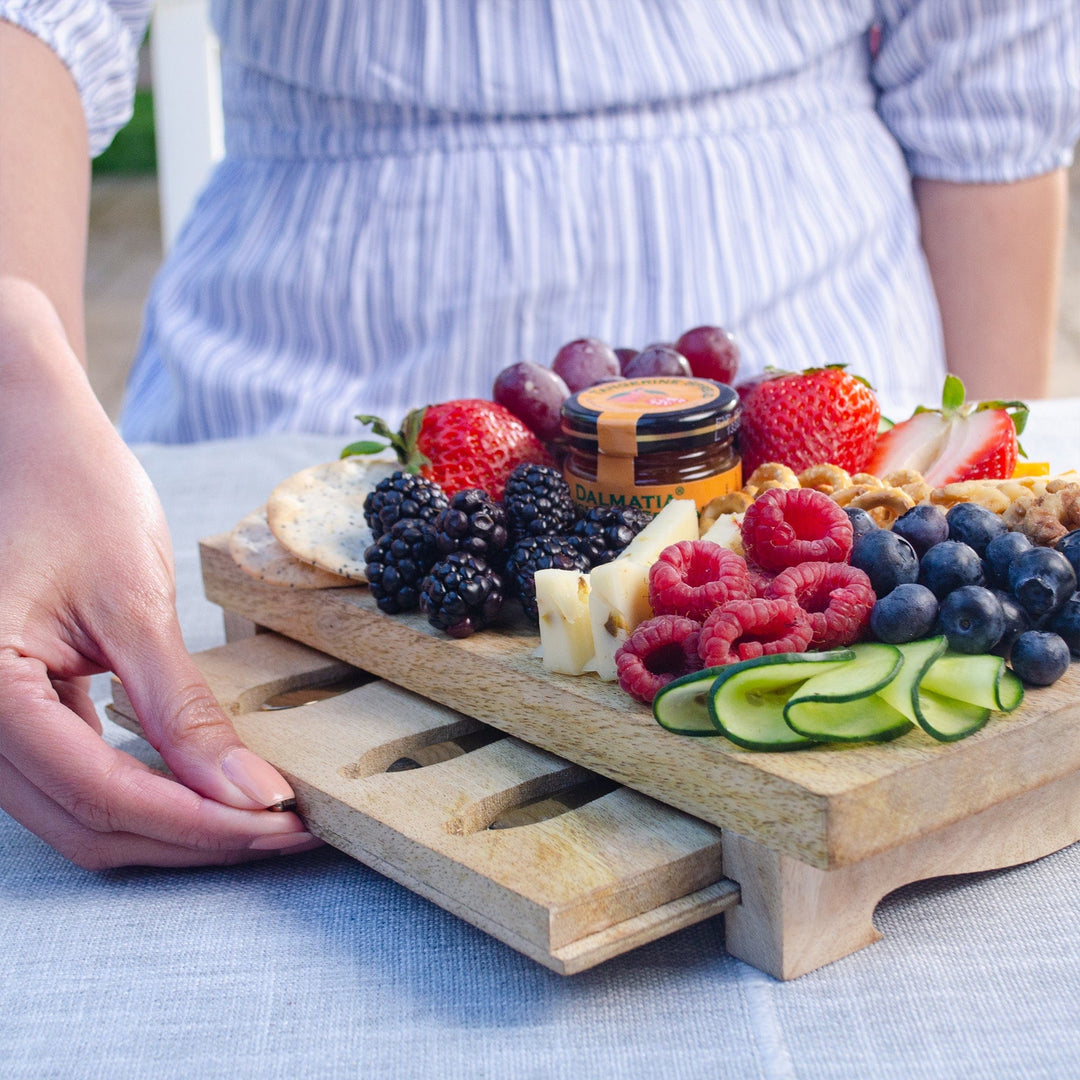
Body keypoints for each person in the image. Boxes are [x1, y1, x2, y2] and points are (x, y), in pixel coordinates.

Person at [1, 1, 1077, 869]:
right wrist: (13, 373)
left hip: (813, 360)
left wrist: (987, 501)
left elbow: (985, 58)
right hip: (295, 365)